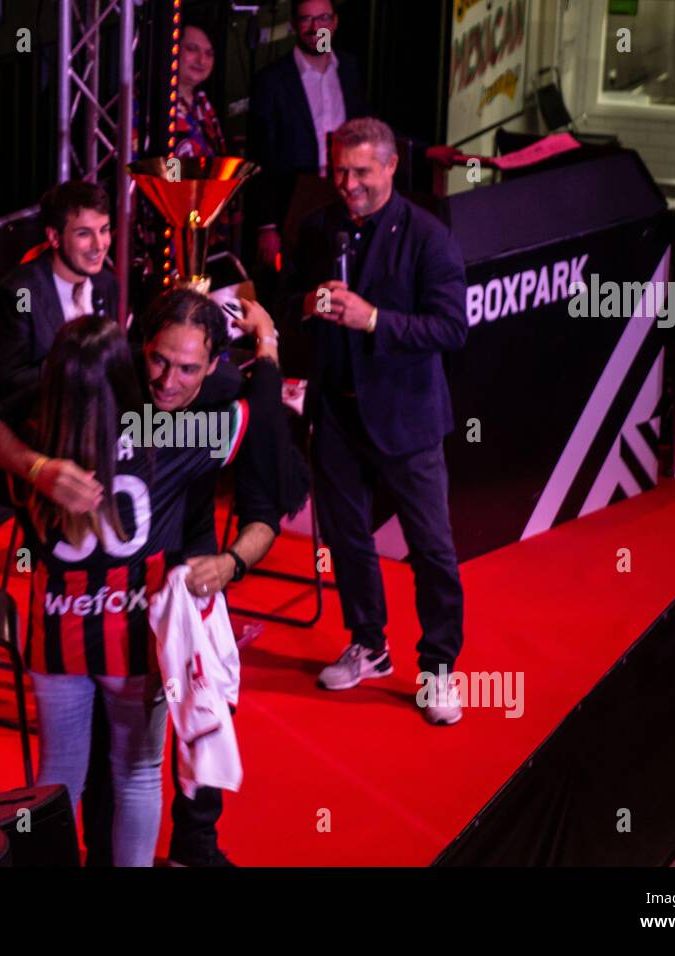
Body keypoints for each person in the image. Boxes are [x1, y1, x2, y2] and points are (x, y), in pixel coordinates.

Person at [0, 290, 300, 865]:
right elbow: (257, 416)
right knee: (139, 773)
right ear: (130, 363)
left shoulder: (33, 447)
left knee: (57, 781)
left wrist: (36, 465)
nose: (167, 379)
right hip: (134, 637)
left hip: (57, 638)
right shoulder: (173, 441)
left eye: (185, 367)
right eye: (155, 361)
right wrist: (268, 347)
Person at [289, 116, 468, 724]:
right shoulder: (318, 228)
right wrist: (308, 307)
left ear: (392, 166)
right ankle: (369, 643)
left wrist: (372, 320)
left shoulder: (429, 235)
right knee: (346, 539)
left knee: (433, 551)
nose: (348, 183)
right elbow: (289, 303)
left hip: (407, 420)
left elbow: (451, 328)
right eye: (339, 169)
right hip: (335, 414)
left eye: (361, 171)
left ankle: (439, 669)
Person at [247, 0, 372, 272]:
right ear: (293, 25)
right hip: (293, 205)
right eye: (306, 19)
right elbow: (258, 156)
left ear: (335, 21)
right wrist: (266, 226)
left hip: (346, 197)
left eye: (323, 18)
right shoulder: (271, 81)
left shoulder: (350, 69)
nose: (316, 28)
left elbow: (369, 129)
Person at [0, 181, 118, 400]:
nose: (99, 245)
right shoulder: (20, 293)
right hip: (34, 414)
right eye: (84, 234)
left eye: (103, 230)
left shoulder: (107, 283)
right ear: (54, 237)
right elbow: (10, 380)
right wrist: (77, 368)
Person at [172, 23, 227, 159]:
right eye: (192, 49)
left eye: (209, 53)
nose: (201, 60)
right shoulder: (149, 103)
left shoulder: (203, 104)